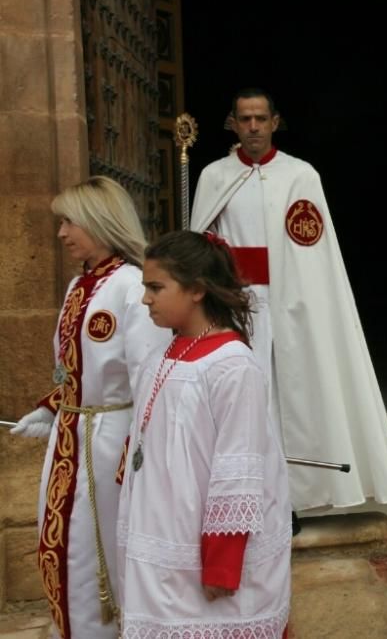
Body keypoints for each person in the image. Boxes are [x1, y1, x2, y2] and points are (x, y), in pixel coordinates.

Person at [190, 87, 387, 511]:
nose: (253, 127)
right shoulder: (213, 175)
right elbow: (200, 244)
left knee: (298, 396)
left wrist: (298, 297)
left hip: (294, 305)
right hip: (235, 304)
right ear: (233, 123)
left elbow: (312, 250)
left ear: (275, 122)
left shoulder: (301, 175)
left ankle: (292, 498)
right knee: (245, 398)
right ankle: (243, 495)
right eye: (244, 119)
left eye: (261, 119)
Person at [9, 176, 169, 638]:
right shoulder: (79, 285)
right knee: (63, 542)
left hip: (110, 443)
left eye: (69, 221)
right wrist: (52, 407)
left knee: (100, 550)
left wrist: (135, 448)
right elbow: (74, 366)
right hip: (72, 436)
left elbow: (147, 376)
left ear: (99, 221)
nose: (61, 234)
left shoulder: (132, 285)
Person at [117, 230, 291, 637]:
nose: (146, 299)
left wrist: (222, 564)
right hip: (161, 528)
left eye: (156, 287)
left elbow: (239, 471)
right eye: (145, 287)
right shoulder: (166, 351)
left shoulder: (232, 365)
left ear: (196, 290)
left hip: (203, 550)